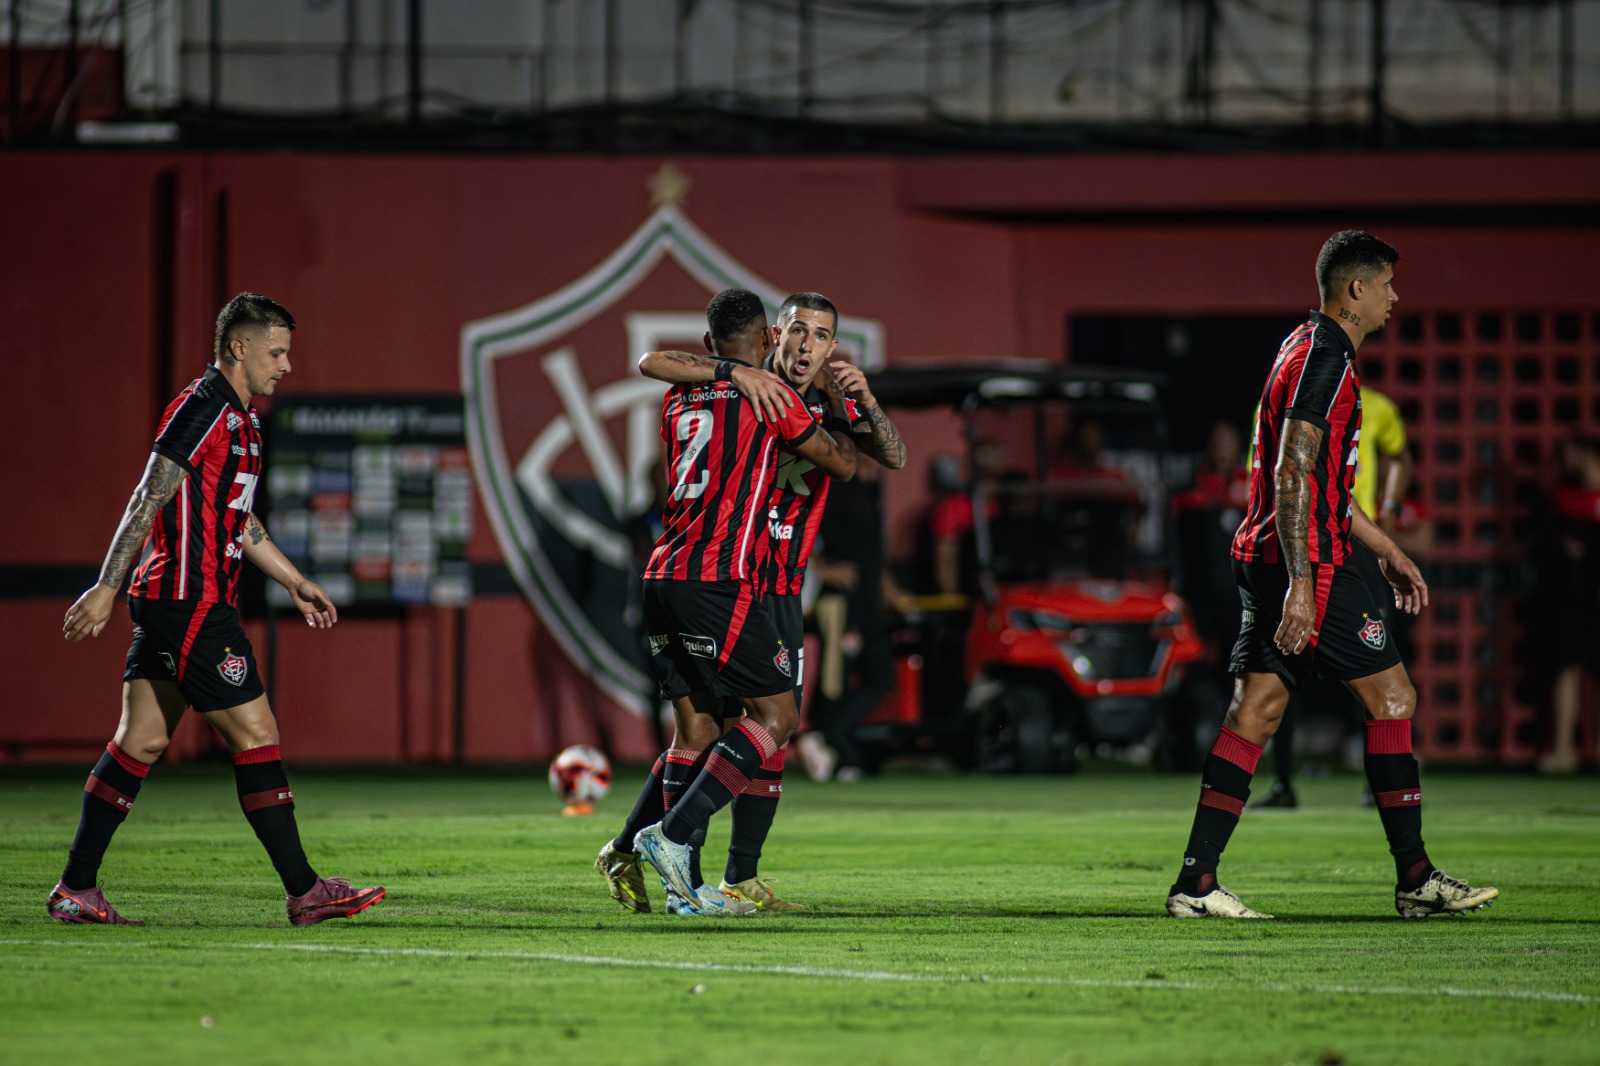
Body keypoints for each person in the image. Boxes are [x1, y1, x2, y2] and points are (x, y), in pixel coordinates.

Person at [1164, 231, 1497, 920]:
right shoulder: (1327, 361)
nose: (1393, 298)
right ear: (1355, 290)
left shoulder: (1298, 347)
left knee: (1255, 711)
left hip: (1268, 553)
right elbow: (1293, 474)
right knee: (1395, 698)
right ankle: (1416, 878)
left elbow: (1319, 479)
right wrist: (1303, 583)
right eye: (1386, 285)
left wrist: (1385, 548)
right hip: (1306, 561)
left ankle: (1196, 883)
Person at [52, 293, 385, 927]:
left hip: (178, 601)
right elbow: (147, 495)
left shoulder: (243, 423)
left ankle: (76, 889)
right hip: (190, 600)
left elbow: (238, 517)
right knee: (257, 736)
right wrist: (104, 585)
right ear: (239, 347)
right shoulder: (203, 408)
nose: (286, 365)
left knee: (141, 741)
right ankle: (305, 890)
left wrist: (294, 579)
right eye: (277, 351)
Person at [591, 289, 858, 917]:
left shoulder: (679, 395)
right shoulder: (772, 401)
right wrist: (848, 408)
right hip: (718, 578)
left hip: (660, 574)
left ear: (710, 345)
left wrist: (728, 371)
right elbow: (844, 465)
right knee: (777, 717)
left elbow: (655, 360)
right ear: (770, 337)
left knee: (698, 729)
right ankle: (673, 839)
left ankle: (644, 858)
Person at [1254, 388, 1413, 808]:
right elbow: (1273, 468)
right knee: (1284, 661)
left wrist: (1390, 509)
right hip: (1301, 538)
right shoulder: (1278, 404)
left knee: (1376, 665)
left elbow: (1399, 457)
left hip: (1357, 544)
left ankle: (1375, 785)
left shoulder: (1375, 406)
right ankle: (1283, 783)